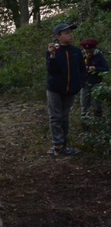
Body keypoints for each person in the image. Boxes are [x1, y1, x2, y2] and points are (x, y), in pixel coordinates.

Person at [45, 22, 84, 156]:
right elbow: (51, 70)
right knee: (55, 117)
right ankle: (58, 145)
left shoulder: (76, 51)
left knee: (65, 117)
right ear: (58, 37)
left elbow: (81, 70)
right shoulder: (53, 52)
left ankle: (63, 145)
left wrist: (79, 84)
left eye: (70, 32)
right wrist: (52, 56)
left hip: (71, 90)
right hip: (55, 89)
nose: (70, 35)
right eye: (66, 33)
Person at [79, 38, 109, 119]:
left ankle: (98, 120)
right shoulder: (81, 56)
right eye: (87, 51)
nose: (89, 53)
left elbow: (106, 69)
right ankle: (85, 121)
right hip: (85, 83)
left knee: (97, 105)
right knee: (84, 104)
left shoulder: (99, 55)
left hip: (96, 83)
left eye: (90, 51)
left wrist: (96, 69)